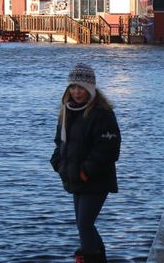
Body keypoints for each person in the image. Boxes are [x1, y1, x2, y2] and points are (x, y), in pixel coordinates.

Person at [50, 63, 120, 263]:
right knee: (84, 225)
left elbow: (109, 149)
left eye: (81, 87)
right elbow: (60, 142)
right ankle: (99, 259)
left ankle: (90, 259)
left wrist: (85, 171)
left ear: (90, 89)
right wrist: (58, 164)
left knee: (85, 224)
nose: (76, 92)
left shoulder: (102, 113)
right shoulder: (67, 111)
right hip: (74, 177)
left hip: (95, 179)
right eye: (72, 87)